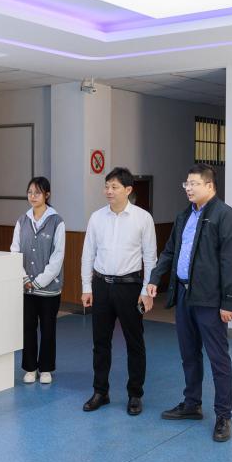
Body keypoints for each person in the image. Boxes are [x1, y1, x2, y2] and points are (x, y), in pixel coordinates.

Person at [147, 163, 232, 442]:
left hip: (210, 299)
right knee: (189, 353)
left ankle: (223, 415)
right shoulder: (184, 215)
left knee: (218, 358)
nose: (188, 188)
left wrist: (228, 302)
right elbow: (170, 251)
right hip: (184, 295)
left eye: (193, 184)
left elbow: (230, 261)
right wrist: (155, 278)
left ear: (209, 186)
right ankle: (192, 404)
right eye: (186, 184)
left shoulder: (225, 216)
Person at [81, 167, 157, 416]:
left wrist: (147, 291)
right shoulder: (96, 218)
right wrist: (86, 286)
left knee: (134, 342)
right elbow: (88, 254)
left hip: (130, 287)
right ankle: (100, 391)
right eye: (106, 186)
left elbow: (150, 258)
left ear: (128, 189)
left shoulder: (142, 218)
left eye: (114, 187)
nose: (109, 191)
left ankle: (135, 394)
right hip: (101, 285)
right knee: (100, 342)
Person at [10, 176, 65, 385]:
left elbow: (57, 257)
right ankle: (30, 368)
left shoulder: (56, 221)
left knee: (48, 329)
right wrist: (24, 277)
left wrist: (38, 282)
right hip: (26, 287)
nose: (33, 196)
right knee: (28, 328)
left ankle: (46, 368)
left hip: (49, 289)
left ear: (47, 195)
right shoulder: (22, 221)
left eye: (38, 192)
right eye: (30, 192)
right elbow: (14, 251)